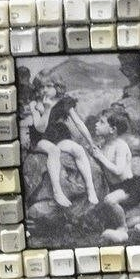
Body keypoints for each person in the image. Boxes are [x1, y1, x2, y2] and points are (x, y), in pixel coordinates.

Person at [28, 74, 99, 207]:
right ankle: (57, 192)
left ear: (57, 86)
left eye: (48, 86)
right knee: (54, 151)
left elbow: (78, 123)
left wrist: (91, 142)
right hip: (39, 138)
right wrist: (47, 109)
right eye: (41, 87)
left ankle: (91, 188)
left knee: (78, 149)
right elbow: (40, 128)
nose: (44, 90)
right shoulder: (35, 103)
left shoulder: (64, 101)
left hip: (57, 135)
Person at [91, 109, 140, 243]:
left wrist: (101, 157)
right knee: (101, 216)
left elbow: (118, 170)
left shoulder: (120, 146)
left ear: (112, 129)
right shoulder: (103, 145)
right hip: (114, 187)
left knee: (109, 200)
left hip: (129, 187)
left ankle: (123, 228)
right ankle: (134, 223)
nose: (96, 124)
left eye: (101, 122)